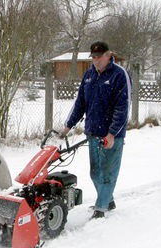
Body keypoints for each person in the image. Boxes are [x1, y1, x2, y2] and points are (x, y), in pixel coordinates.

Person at [59, 41, 131, 219]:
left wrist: (112, 133)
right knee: (95, 172)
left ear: (109, 55)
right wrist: (68, 126)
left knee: (107, 173)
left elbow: (122, 108)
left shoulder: (119, 75)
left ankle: (101, 208)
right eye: (94, 57)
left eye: (99, 57)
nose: (96, 61)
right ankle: (108, 199)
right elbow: (80, 103)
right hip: (93, 132)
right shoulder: (89, 75)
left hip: (111, 135)